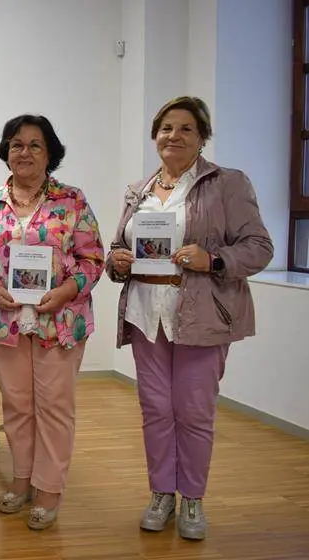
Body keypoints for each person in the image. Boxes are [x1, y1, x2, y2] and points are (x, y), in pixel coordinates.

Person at [105, 96, 272, 540]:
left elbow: (260, 247)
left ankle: (193, 499)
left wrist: (212, 258)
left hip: (202, 317)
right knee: (156, 410)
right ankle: (162, 493)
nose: (173, 137)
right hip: (146, 314)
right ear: (154, 136)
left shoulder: (228, 184)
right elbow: (117, 246)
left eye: (185, 129)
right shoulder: (138, 190)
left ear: (201, 139)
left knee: (194, 412)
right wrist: (117, 260)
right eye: (165, 129)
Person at [0, 114, 105, 530]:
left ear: (50, 153)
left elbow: (93, 259)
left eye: (34, 145)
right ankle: (21, 479)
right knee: (17, 406)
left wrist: (65, 291)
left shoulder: (72, 200)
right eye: (16, 144)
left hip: (60, 320)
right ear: (6, 152)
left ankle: (49, 488)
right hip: (6, 321)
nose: (24, 152)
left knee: (55, 407)